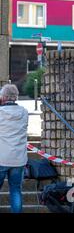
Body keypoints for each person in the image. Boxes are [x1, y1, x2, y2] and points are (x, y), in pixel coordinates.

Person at [0, 84, 28, 213]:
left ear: (3, 97)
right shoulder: (24, 112)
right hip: (19, 159)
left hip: (1, 158)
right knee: (16, 190)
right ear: (16, 97)